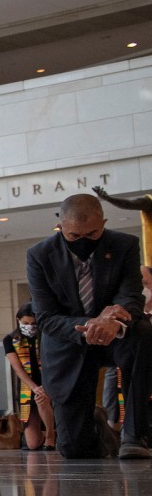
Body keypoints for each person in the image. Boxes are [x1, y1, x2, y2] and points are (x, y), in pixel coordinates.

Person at [26, 193, 151, 459]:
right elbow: (46, 318)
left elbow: (131, 294)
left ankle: (134, 435)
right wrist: (92, 323)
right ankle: (99, 433)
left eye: (92, 234)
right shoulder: (39, 255)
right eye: (74, 236)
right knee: (74, 448)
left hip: (116, 335)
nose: (83, 241)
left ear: (104, 223)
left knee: (142, 332)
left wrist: (114, 319)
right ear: (60, 226)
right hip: (69, 342)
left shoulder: (125, 244)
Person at [4, 304, 55, 451]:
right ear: (18, 320)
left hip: (48, 381)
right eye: (25, 323)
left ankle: (50, 435)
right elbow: (18, 369)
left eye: (33, 323)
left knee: (41, 398)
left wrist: (45, 386)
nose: (30, 327)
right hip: (27, 386)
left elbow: (51, 362)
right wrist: (34, 387)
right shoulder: (9, 340)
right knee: (32, 444)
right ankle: (46, 435)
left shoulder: (45, 335)